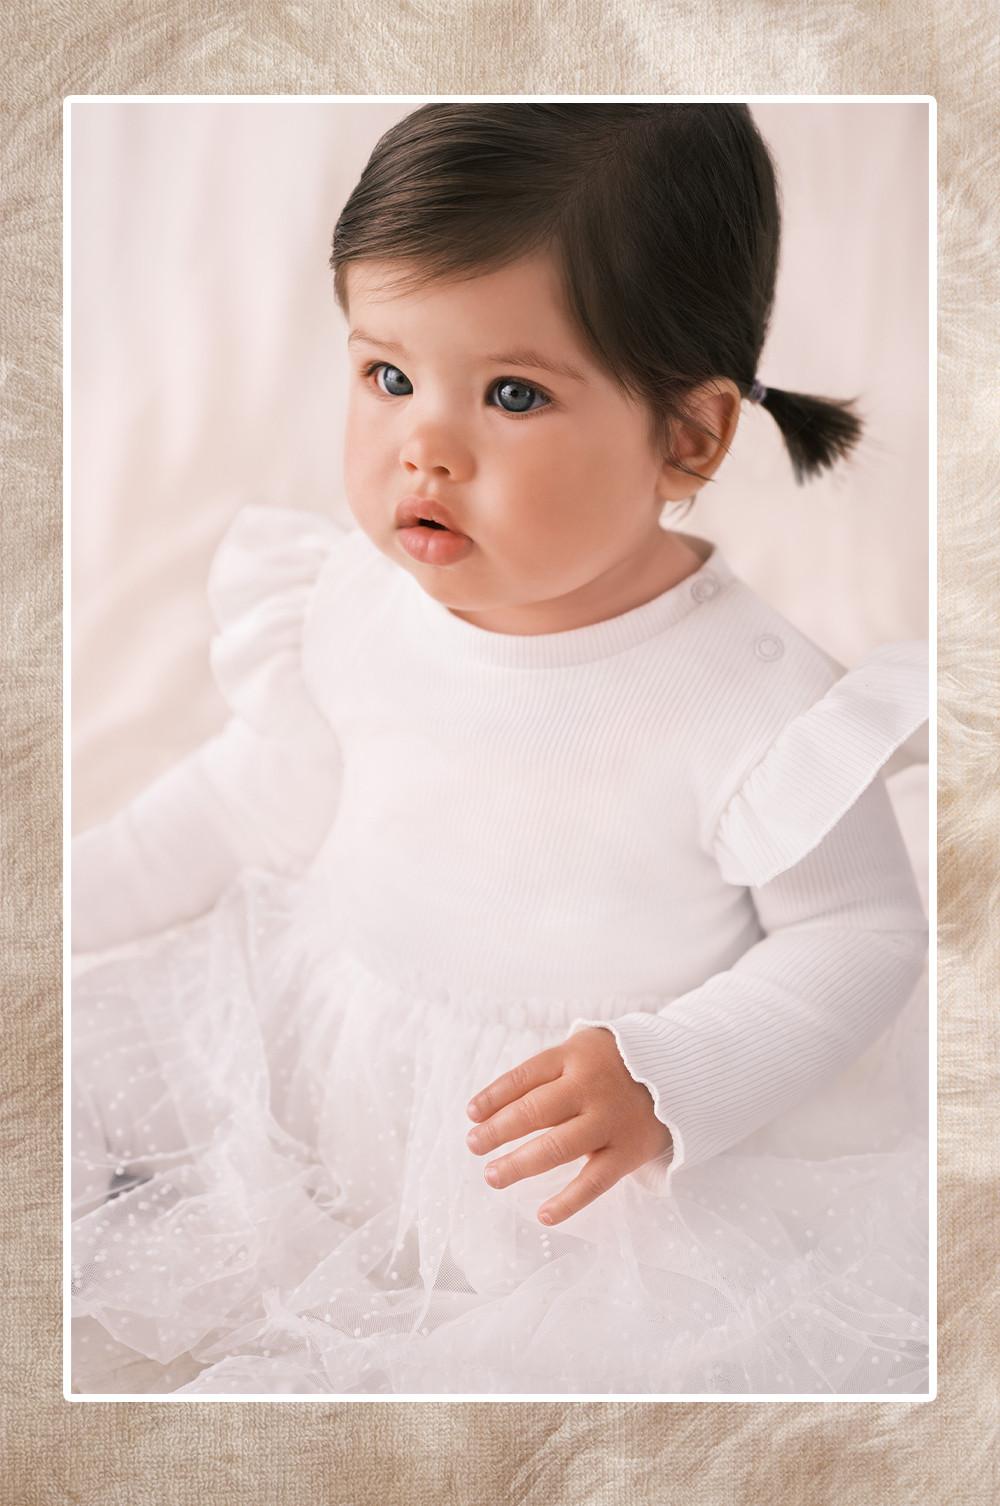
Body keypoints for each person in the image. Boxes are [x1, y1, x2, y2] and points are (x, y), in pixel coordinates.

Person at [70, 103, 929, 1397]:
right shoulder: (352, 602)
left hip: (569, 1167)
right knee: (68, 1091)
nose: (425, 442)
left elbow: (862, 934)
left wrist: (670, 1074)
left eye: (512, 393)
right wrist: (61, 901)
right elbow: (257, 793)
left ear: (687, 436)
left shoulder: (758, 706)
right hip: (327, 1046)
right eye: (386, 374)